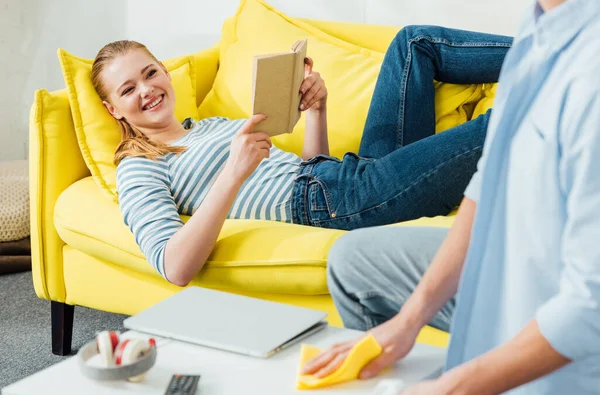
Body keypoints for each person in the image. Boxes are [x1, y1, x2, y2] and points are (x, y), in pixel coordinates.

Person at [302, 1, 600, 395]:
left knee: (415, 41)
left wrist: (450, 391)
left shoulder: (589, 72)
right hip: (334, 189)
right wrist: (407, 322)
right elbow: (486, 184)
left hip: (570, 348)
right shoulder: (535, 33)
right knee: (351, 261)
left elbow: (588, 307)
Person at [91, 26, 511, 287]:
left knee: (413, 44)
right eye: (127, 90)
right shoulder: (138, 166)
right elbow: (174, 266)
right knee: (501, 121)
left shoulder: (210, 126)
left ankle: (556, 45)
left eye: (149, 74)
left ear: (164, 71)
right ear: (113, 109)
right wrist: (232, 173)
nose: (146, 90)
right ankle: (566, 68)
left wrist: (316, 111)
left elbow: (311, 167)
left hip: (341, 179)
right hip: (337, 200)